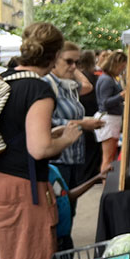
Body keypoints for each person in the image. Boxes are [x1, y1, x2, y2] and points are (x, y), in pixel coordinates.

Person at [0, 22, 84, 259]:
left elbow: (10, 132)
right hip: (16, 190)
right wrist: (67, 138)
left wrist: (49, 134)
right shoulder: (38, 88)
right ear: (54, 55)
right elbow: (39, 149)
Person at [45, 42, 104, 202]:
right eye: (69, 61)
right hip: (58, 159)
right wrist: (83, 124)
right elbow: (47, 122)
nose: (73, 66)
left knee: (69, 207)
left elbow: (87, 86)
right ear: (54, 60)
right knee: (62, 208)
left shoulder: (67, 85)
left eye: (77, 62)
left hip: (73, 158)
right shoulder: (46, 85)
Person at [47, 164, 108, 251]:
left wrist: (96, 179)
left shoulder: (53, 170)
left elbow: (67, 196)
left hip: (65, 236)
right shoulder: (39, 180)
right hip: (55, 240)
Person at [95, 51, 128, 173]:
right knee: (108, 158)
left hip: (111, 119)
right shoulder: (107, 80)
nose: (122, 69)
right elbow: (105, 102)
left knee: (110, 156)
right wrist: (121, 96)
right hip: (108, 119)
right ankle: (105, 184)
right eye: (121, 66)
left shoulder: (109, 78)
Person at [76, 50, 103, 183]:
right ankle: (91, 175)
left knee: (87, 148)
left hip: (83, 113)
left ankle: (87, 176)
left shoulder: (80, 77)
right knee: (93, 147)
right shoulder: (94, 76)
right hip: (92, 113)